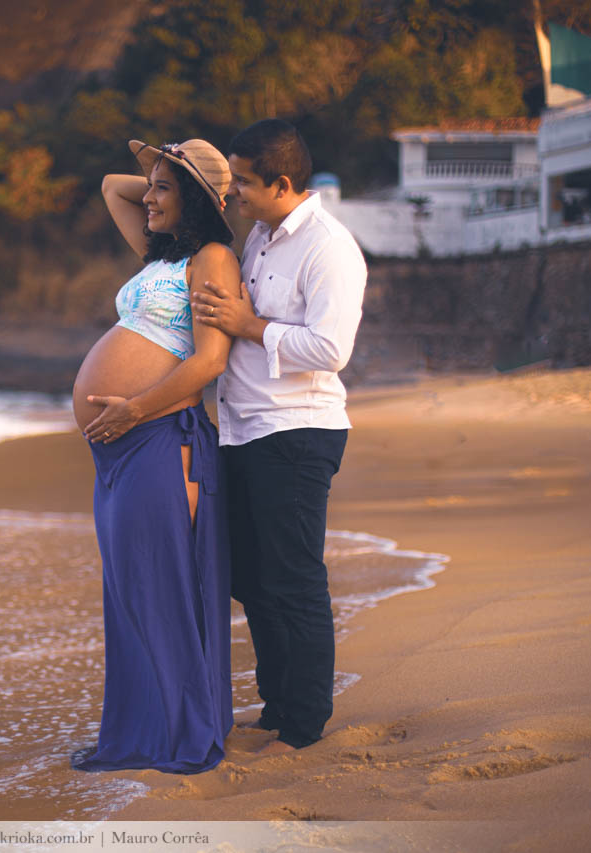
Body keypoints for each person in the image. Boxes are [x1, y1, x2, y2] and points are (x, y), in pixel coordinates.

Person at [191, 118, 367, 751]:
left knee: (292, 580)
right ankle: (277, 703)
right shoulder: (260, 235)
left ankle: (305, 722)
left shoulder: (329, 247)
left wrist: (251, 324)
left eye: (243, 181)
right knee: (253, 579)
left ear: (282, 183)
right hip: (244, 430)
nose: (234, 191)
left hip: (296, 431)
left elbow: (331, 347)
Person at [69, 138, 241, 773]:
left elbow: (209, 360)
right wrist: (169, 170)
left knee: (160, 587)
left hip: (160, 438)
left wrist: (134, 409)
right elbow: (114, 186)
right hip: (116, 451)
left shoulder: (213, 257)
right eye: (155, 186)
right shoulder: (159, 257)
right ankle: (142, 732)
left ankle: (180, 734)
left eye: (164, 189)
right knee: (129, 592)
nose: (149, 199)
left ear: (194, 200)